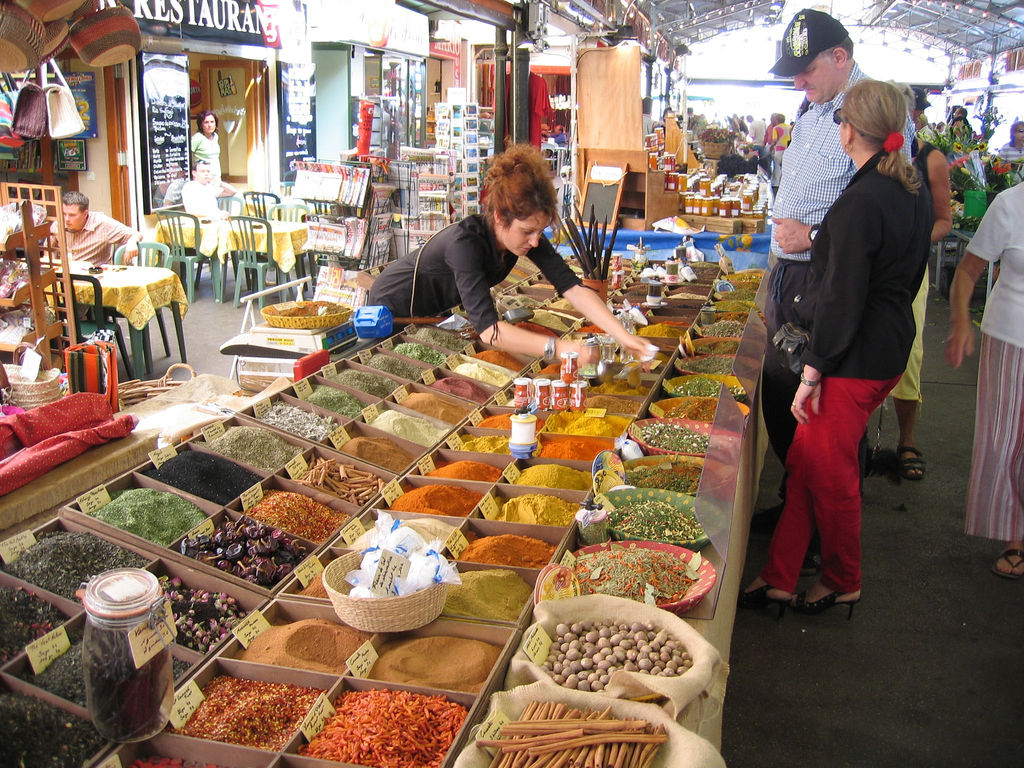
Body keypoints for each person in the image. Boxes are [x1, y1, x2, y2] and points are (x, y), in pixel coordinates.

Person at [740, 79, 932, 616]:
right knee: (805, 460)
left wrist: (811, 374)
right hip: (889, 343)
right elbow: (909, 275)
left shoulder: (858, 203)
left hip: (855, 358)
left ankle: (844, 578)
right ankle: (779, 575)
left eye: (840, 120)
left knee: (834, 475)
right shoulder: (909, 190)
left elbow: (842, 301)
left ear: (848, 130)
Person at [761, 9, 916, 488]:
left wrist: (811, 237)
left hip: (824, 280)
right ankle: (799, 505)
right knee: (782, 394)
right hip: (793, 274)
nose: (797, 82)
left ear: (840, 56)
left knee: (814, 406)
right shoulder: (814, 109)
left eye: (804, 70)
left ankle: (814, 524)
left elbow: (886, 208)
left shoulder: (874, 113)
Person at [368, 144, 656, 367]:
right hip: (392, 309)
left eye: (539, 231)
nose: (535, 241)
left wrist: (624, 337)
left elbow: (572, 288)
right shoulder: (465, 244)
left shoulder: (526, 236)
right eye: (528, 231)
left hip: (432, 314)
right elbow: (492, 333)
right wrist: (563, 348)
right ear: (499, 217)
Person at [945, 183, 1024, 579]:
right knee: (1006, 438)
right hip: (1010, 336)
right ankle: (1016, 536)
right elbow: (969, 270)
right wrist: (960, 323)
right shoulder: (1010, 205)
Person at [889, 84, 953, 480]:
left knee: (908, 353)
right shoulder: (865, 154)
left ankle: (907, 438)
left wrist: (909, 241)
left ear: (913, 116)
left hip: (909, 271)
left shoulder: (930, 159)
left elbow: (944, 220)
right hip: (870, 270)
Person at [57, 191, 143, 267]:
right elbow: (48, 251)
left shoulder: (102, 223)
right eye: (64, 214)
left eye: (72, 215)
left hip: (94, 277)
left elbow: (135, 234)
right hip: (65, 277)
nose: (66, 219)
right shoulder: (57, 225)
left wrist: (132, 242)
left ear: (85, 214)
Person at [190, 110, 223, 180]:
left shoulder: (215, 136)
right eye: (206, 122)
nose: (210, 125)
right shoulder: (197, 138)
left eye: (212, 122)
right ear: (201, 124)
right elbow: (188, 156)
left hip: (216, 177)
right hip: (203, 179)